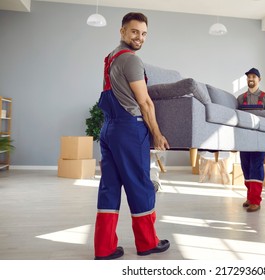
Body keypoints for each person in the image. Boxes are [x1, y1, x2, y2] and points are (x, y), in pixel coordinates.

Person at [94, 12, 170, 260]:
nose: (140, 37)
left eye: (144, 33)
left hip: (109, 129)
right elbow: (145, 101)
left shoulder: (110, 58)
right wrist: (157, 134)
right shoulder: (132, 61)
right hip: (129, 128)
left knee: (109, 187)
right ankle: (148, 243)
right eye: (135, 31)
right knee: (140, 184)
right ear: (122, 31)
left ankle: (104, 248)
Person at [236, 68, 265, 212]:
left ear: (259, 79)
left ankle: (255, 201)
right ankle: (250, 197)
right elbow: (236, 120)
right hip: (244, 138)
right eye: (248, 77)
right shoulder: (240, 99)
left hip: (259, 139)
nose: (251, 79)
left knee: (255, 168)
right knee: (246, 167)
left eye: (253, 76)